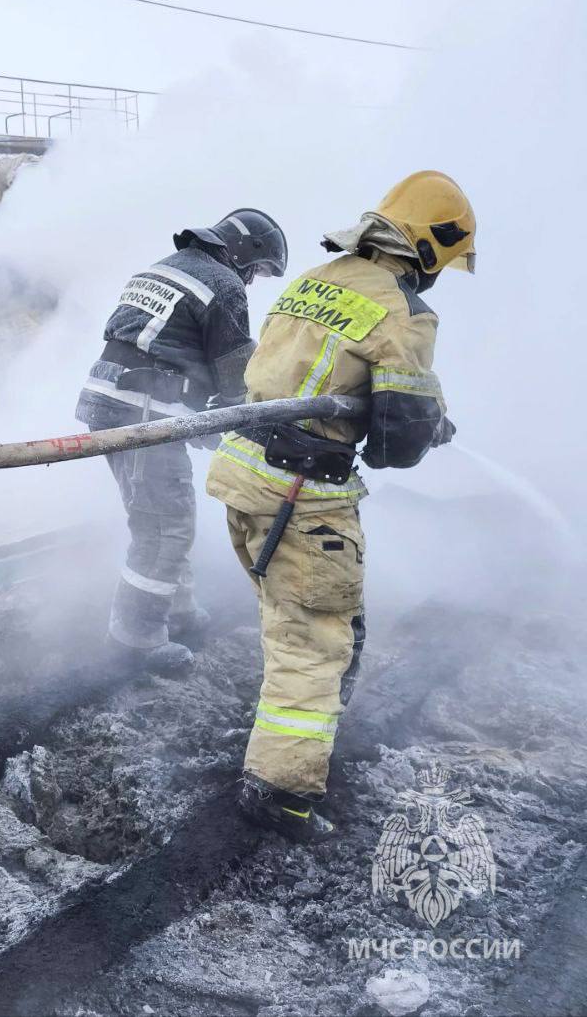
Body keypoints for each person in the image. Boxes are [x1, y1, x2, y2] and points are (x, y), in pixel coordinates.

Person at [207, 171, 471, 842]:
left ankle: (290, 742)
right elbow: (393, 445)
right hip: (305, 498)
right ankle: (277, 791)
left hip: (243, 474)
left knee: (302, 630)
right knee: (317, 643)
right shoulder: (405, 311)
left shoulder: (320, 278)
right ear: (431, 248)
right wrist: (425, 419)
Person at [75, 210, 288, 672]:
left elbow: (159, 343)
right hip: (144, 413)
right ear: (245, 253)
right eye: (257, 270)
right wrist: (247, 419)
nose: (252, 281)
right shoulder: (223, 283)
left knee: (167, 514)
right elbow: (235, 372)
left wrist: (198, 413)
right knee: (163, 526)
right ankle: (135, 639)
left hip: (116, 402)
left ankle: (178, 611)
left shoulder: (167, 266)